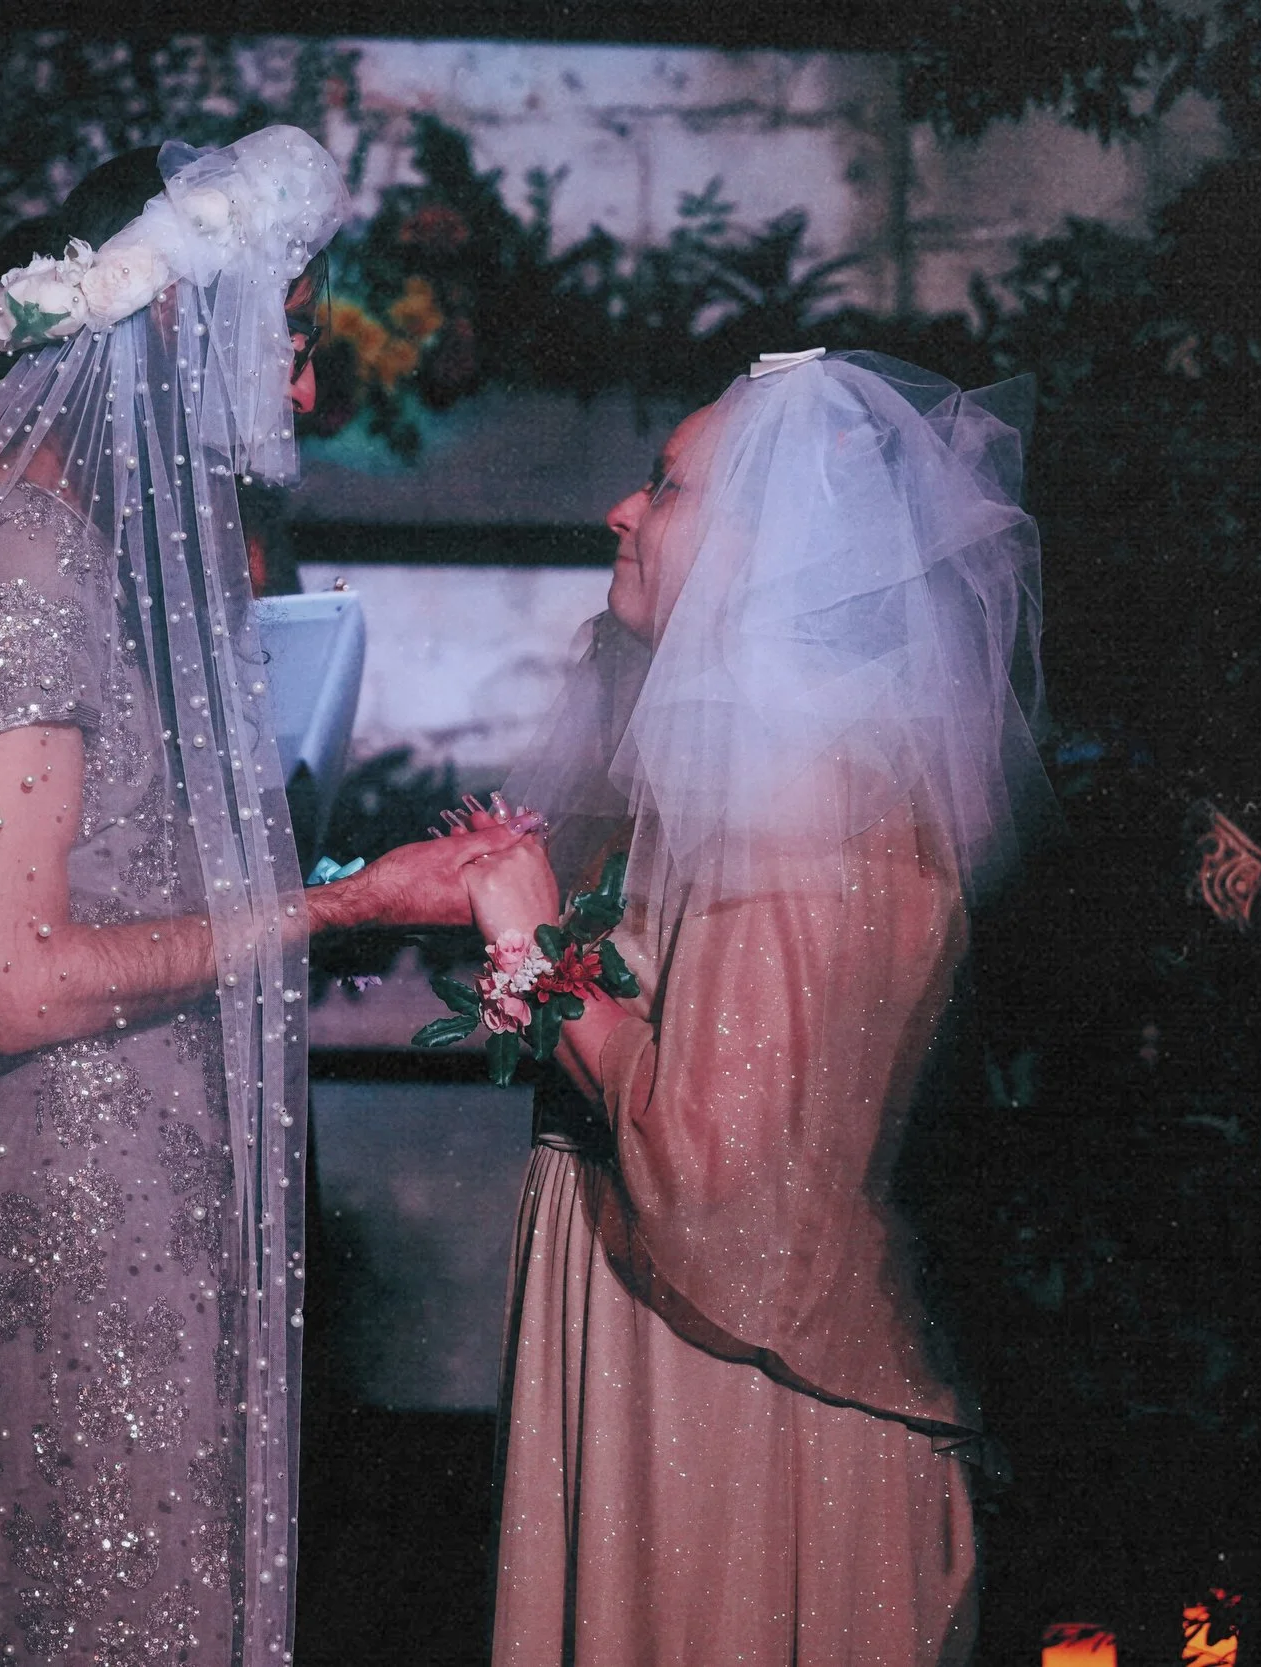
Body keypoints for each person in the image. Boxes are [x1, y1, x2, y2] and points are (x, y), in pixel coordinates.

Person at [0, 127, 520, 1667]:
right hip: (90, 1224)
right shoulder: (24, 562)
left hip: (118, 1184)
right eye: (283, 341)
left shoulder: (41, 541)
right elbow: (20, 976)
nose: (298, 392)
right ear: (173, 324)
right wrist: (340, 910)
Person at [450, 349, 1051, 1663]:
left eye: (666, 488)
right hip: (685, 1367)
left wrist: (536, 962)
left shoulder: (795, 792)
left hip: (734, 1401)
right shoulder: (789, 758)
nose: (622, 509)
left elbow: (721, 1170)